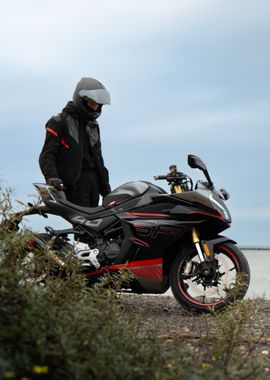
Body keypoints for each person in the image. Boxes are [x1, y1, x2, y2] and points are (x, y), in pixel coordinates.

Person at [39, 77, 111, 207]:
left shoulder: (93, 125)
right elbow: (47, 155)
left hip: (93, 185)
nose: (96, 108)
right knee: (81, 225)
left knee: (97, 225)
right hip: (73, 185)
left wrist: (106, 191)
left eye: (98, 105)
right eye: (92, 103)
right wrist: (52, 177)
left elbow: (99, 161)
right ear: (81, 100)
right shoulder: (59, 121)